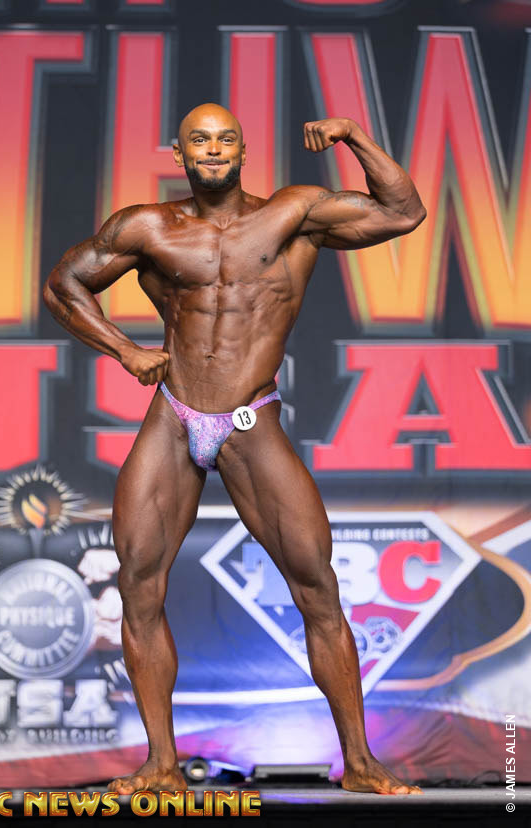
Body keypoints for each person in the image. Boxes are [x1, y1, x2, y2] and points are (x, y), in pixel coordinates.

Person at [43, 104, 427, 795]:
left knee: (317, 588)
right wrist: (125, 349)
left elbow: (403, 212)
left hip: (251, 418)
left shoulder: (293, 214)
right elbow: (63, 285)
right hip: (174, 414)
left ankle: (361, 763)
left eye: (225, 139)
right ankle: (161, 765)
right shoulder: (148, 227)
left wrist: (354, 138)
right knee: (138, 586)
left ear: (244, 150)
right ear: (179, 153)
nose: (213, 149)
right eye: (200, 140)